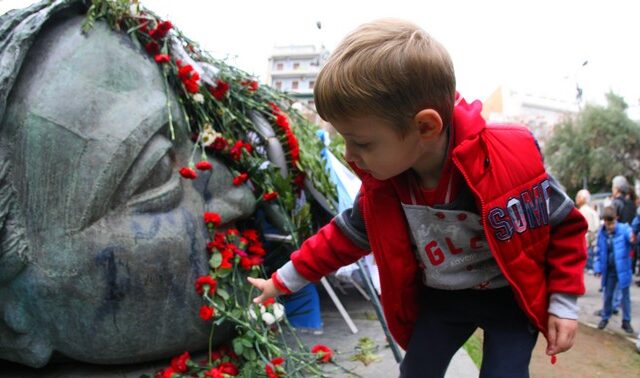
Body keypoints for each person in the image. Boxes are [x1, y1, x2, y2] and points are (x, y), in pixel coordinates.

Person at [248, 19, 587, 377]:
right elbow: (341, 238)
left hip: (510, 298)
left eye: (361, 143)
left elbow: (566, 227)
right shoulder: (385, 186)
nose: (349, 155)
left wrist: (563, 304)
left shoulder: (506, 166)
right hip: (444, 299)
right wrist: (283, 280)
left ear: (425, 127)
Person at [594, 206, 634, 334]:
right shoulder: (602, 233)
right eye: (606, 223)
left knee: (625, 297)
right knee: (608, 295)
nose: (609, 226)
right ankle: (605, 317)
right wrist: (597, 267)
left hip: (623, 269)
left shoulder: (624, 229)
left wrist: (634, 237)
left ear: (616, 219)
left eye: (611, 223)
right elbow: (599, 252)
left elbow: (632, 238)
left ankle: (626, 321)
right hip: (610, 270)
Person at [576, 189, 600, 272]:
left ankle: (589, 267)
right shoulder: (592, 211)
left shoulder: (581, 211)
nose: (577, 199)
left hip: (585, 235)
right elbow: (597, 225)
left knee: (587, 251)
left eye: (578, 197)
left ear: (583, 198)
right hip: (593, 234)